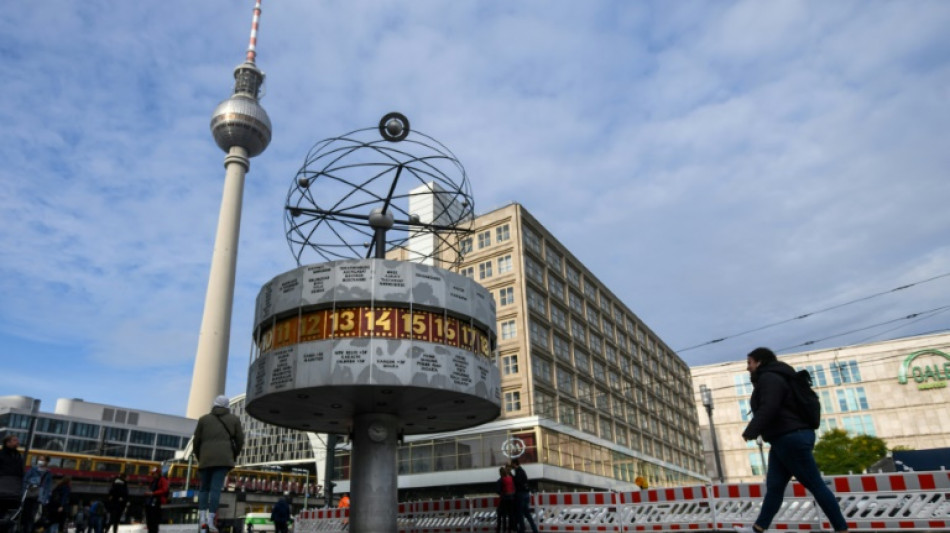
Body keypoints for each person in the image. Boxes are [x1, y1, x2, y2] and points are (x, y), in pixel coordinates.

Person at [737, 347, 850, 533]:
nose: (747, 367)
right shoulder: (777, 376)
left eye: (749, 362)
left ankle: (842, 529)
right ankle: (758, 528)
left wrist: (751, 430)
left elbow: (770, 406)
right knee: (774, 487)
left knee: (815, 484)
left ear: (759, 362)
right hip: (784, 438)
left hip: (790, 437)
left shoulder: (769, 378)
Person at [193, 395, 244, 533]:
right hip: (223, 460)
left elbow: (196, 441)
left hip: (205, 458)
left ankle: (202, 518)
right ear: (227, 406)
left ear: (214, 404)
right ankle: (211, 520)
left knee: (204, 489)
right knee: (215, 489)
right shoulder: (234, 420)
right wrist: (233, 455)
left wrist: (200, 457)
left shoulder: (203, 420)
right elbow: (240, 440)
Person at [22, 454, 53, 533]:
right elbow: (25, 480)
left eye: (42, 460)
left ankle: (30, 529)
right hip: (29, 494)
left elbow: (48, 487)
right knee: (26, 514)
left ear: (47, 462)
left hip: (39, 497)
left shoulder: (48, 473)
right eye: (39, 459)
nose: (40, 461)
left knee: (34, 515)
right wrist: (24, 491)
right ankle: (25, 529)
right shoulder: (33, 469)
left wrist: (45, 499)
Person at [0, 435, 24, 533]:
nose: (17, 442)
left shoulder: (18, 455)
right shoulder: (2, 455)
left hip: (14, 491)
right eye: (14, 440)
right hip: (2, 489)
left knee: (9, 517)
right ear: (7, 442)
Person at [509, 459, 538, 533]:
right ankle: (534, 529)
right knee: (527, 513)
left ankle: (522, 529)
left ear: (515, 464)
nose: (511, 465)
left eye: (512, 464)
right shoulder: (522, 471)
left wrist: (511, 475)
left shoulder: (519, 471)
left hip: (521, 494)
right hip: (526, 494)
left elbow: (517, 481)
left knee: (520, 513)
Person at [144, 467, 169, 533]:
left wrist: (153, 493)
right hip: (150, 503)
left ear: (157, 473)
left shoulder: (162, 480)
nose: (152, 475)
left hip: (156, 503)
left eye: (153, 474)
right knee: (150, 522)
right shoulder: (153, 481)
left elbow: (165, 490)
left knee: (154, 522)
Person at [495, 465, 515, 533]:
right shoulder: (510, 478)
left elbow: (498, 491)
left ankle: (501, 530)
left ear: (500, 473)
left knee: (501, 515)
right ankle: (509, 529)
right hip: (511, 499)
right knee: (510, 515)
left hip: (503, 499)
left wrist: (502, 494)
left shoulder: (500, 480)